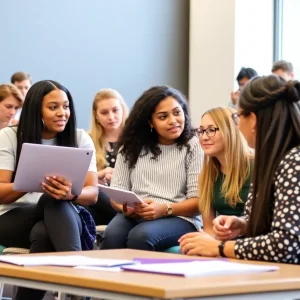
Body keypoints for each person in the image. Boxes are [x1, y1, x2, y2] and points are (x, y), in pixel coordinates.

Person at [179, 75, 300, 265]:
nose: (238, 125)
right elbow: (260, 220)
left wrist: (219, 248)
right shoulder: (270, 161)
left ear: (253, 120)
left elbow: (285, 245)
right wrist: (241, 225)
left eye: (238, 116)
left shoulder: (294, 162)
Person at [0, 80, 98, 299]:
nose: (62, 113)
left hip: (60, 217)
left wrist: (71, 193)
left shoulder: (80, 138)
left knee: (45, 227)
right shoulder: (8, 136)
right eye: (53, 107)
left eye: (66, 106)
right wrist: (31, 180)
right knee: (52, 197)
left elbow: (93, 194)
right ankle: (79, 278)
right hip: (11, 216)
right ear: (36, 111)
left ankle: (74, 281)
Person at [100, 85, 203, 251]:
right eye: (163, 117)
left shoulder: (193, 145)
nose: (173, 120)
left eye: (177, 112)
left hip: (180, 217)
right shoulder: (130, 146)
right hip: (138, 214)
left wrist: (164, 209)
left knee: (141, 236)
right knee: (112, 235)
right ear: (150, 122)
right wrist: (126, 208)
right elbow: (117, 195)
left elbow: (198, 203)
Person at [182, 107, 252, 240]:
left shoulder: (256, 167)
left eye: (211, 130)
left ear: (231, 130)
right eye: (201, 131)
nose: (203, 137)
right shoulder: (207, 174)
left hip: (251, 242)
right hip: (224, 241)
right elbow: (209, 228)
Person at [87, 88, 128, 225]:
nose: (111, 117)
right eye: (104, 112)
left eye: (115, 110)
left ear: (122, 109)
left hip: (128, 200)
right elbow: (79, 182)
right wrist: (97, 177)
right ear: (96, 115)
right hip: (99, 204)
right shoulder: (87, 141)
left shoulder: (135, 139)